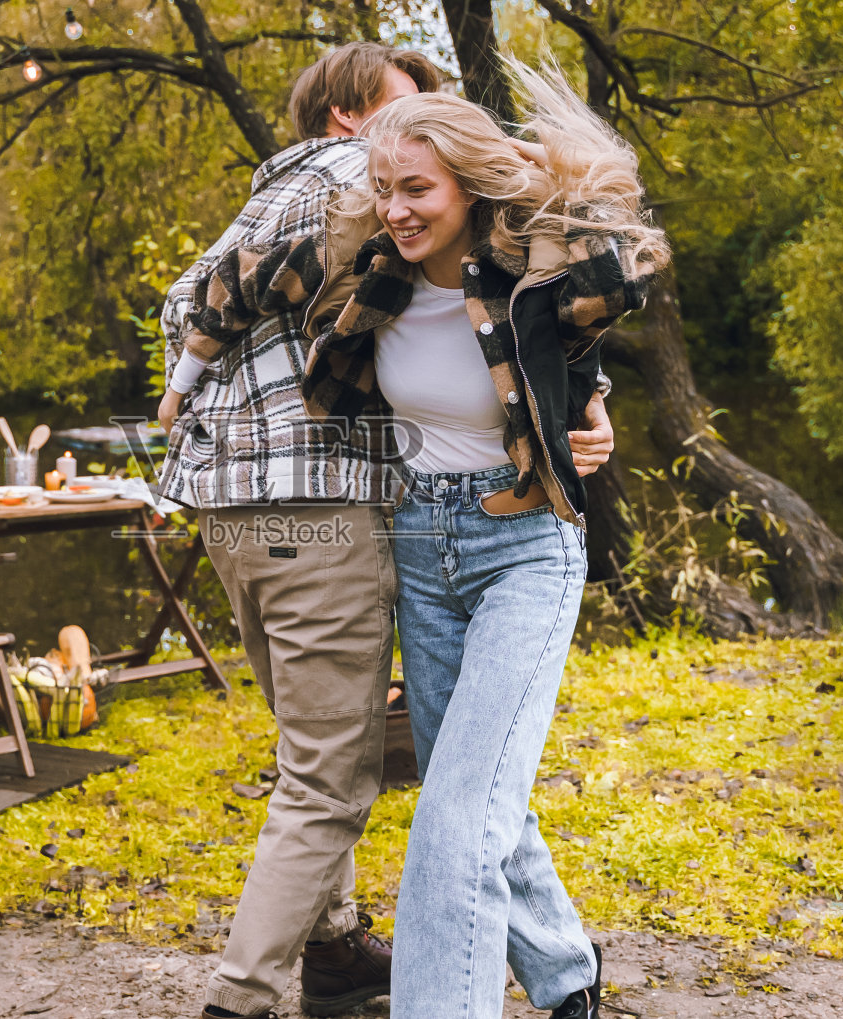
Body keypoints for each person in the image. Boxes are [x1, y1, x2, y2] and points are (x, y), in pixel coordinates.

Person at [178, 62, 667, 1019]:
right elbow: (236, 280)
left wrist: (592, 398)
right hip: (421, 543)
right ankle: (569, 978)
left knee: (454, 814)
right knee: (479, 793)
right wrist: (188, 369)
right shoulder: (370, 272)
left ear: (468, 185)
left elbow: (611, 288)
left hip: (523, 543)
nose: (397, 209)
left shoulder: (537, 274)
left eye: (420, 188)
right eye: (385, 187)